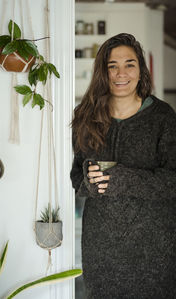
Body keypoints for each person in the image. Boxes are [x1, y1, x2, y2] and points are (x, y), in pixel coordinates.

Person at [70, 33, 176, 299]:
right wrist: (89, 181)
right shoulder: (86, 116)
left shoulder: (162, 117)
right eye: (112, 66)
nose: (121, 73)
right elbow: (76, 177)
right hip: (101, 246)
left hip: (154, 246)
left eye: (129, 64)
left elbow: (172, 181)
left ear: (141, 70)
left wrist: (122, 179)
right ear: (102, 73)